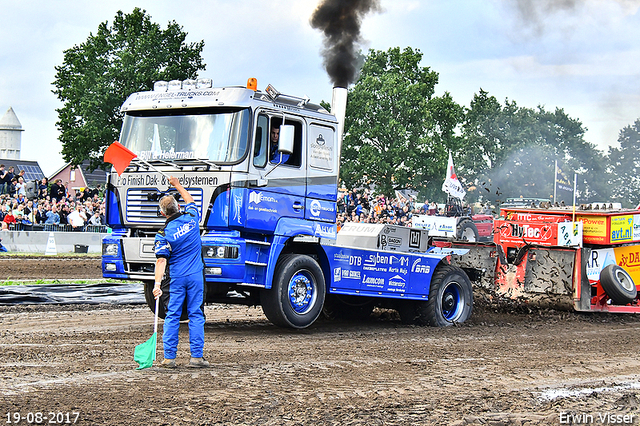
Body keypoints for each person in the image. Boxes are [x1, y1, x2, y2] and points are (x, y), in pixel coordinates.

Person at [152, 176, 208, 369]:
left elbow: (161, 260)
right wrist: (176, 184)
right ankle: (197, 357)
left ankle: (169, 358)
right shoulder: (192, 218)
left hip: (176, 278)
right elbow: (190, 200)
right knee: (196, 314)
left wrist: (157, 285)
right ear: (178, 206)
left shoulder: (163, 234)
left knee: (173, 315)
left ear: (162, 212)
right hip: (196, 276)